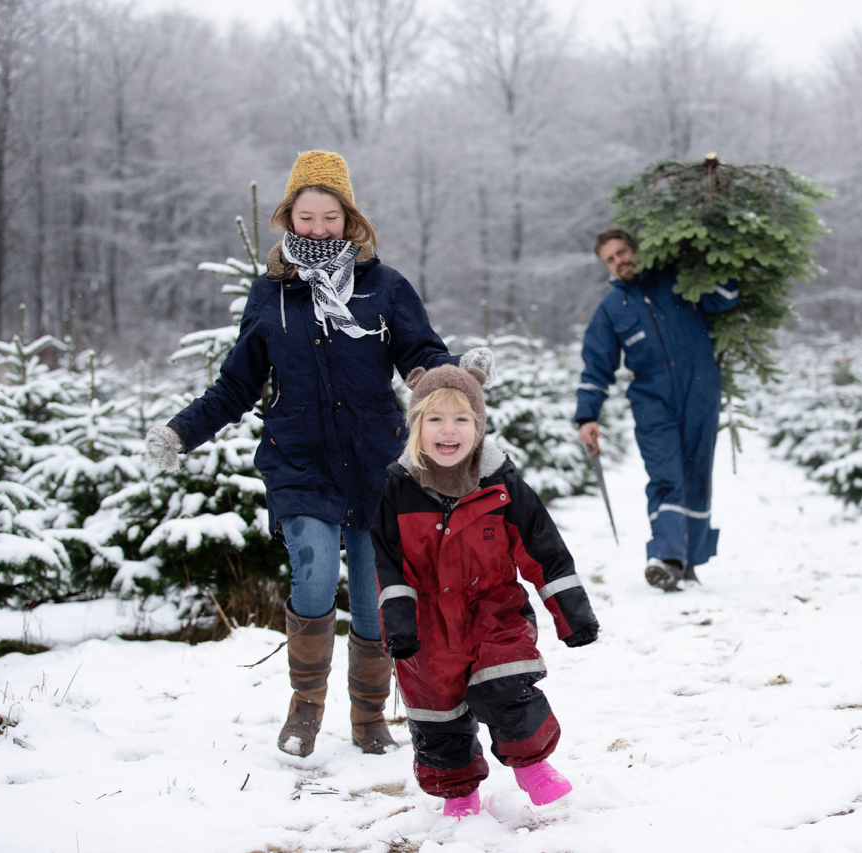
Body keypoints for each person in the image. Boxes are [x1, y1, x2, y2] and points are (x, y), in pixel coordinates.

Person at [143, 150, 492, 758]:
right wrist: (181, 432)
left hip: (374, 461)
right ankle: (305, 709)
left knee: (369, 592)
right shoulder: (272, 296)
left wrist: (457, 375)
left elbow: (420, 356)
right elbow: (237, 384)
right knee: (310, 571)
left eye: (330, 216)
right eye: (306, 216)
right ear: (289, 218)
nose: (318, 227)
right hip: (299, 458)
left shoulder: (383, 287)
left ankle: (369, 719)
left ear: (349, 219)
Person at [372, 364, 599, 818]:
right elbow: (389, 564)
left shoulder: (502, 484)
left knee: (508, 685)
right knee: (436, 714)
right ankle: (458, 792)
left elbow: (544, 550)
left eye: (461, 419)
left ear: (479, 425)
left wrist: (570, 613)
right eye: (434, 419)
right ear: (416, 425)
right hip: (428, 626)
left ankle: (532, 766)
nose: (448, 431)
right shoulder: (398, 490)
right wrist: (398, 621)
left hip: (494, 610)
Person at [576, 227, 738, 592]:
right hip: (652, 401)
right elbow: (596, 365)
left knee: (697, 477)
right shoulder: (611, 309)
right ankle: (666, 557)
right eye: (611, 260)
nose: (619, 262)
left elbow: (725, 299)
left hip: (701, 390)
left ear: (635, 248)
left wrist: (712, 259)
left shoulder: (675, 279)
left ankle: (690, 562)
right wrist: (587, 416)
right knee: (666, 475)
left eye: (622, 253)